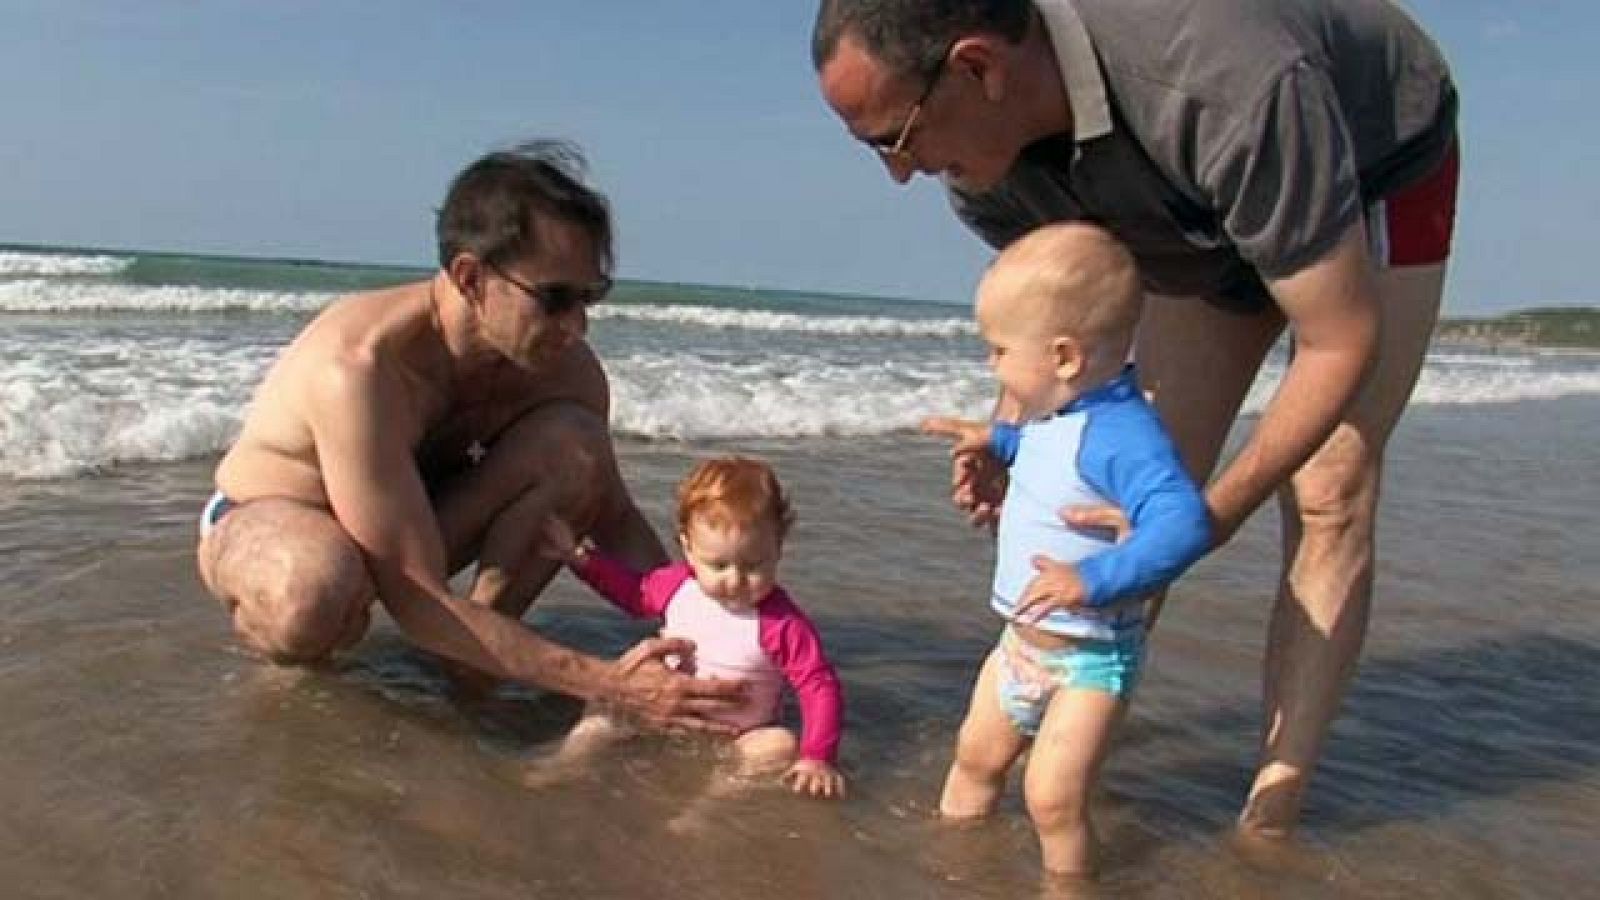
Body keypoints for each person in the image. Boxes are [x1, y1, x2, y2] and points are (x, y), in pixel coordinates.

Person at [812, 0, 1460, 841]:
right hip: (1190, 193)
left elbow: (1340, 341)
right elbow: (1054, 334)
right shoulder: (982, 165)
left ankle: (1272, 811)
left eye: (892, 140)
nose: (900, 174)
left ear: (978, 69)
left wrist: (1197, 525)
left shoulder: (1220, 81)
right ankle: (1061, 778)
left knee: (1331, 487)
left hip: (1373, 159)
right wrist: (1014, 439)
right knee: (1100, 497)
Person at [195, 141, 745, 731]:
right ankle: (288, 689)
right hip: (276, 520)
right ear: (470, 277)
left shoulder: (566, 369)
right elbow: (416, 596)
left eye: (590, 298)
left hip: (415, 529)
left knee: (575, 449)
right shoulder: (360, 368)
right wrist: (614, 686)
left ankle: (471, 663)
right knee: (311, 594)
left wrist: (711, 631)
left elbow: (611, 517)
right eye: (556, 298)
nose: (577, 325)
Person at [920, 223, 1209, 875]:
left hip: (1089, 661)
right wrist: (996, 439)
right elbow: (1051, 459)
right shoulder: (1061, 417)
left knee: (1051, 799)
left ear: (1064, 357)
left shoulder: (1124, 432)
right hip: (1021, 645)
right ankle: (947, 871)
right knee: (973, 759)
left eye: (998, 350)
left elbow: (1183, 521)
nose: (991, 363)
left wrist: (1095, 577)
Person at [532, 456, 847, 801]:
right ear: (689, 549)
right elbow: (632, 594)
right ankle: (563, 764)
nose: (736, 579)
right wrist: (580, 557)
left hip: (740, 732)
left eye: (755, 565)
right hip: (665, 712)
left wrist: (818, 757)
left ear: (778, 549)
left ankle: (708, 805)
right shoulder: (677, 587)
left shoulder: (782, 623)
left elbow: (818, 685)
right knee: (604, 709)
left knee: (780, 745)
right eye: (719, 564)